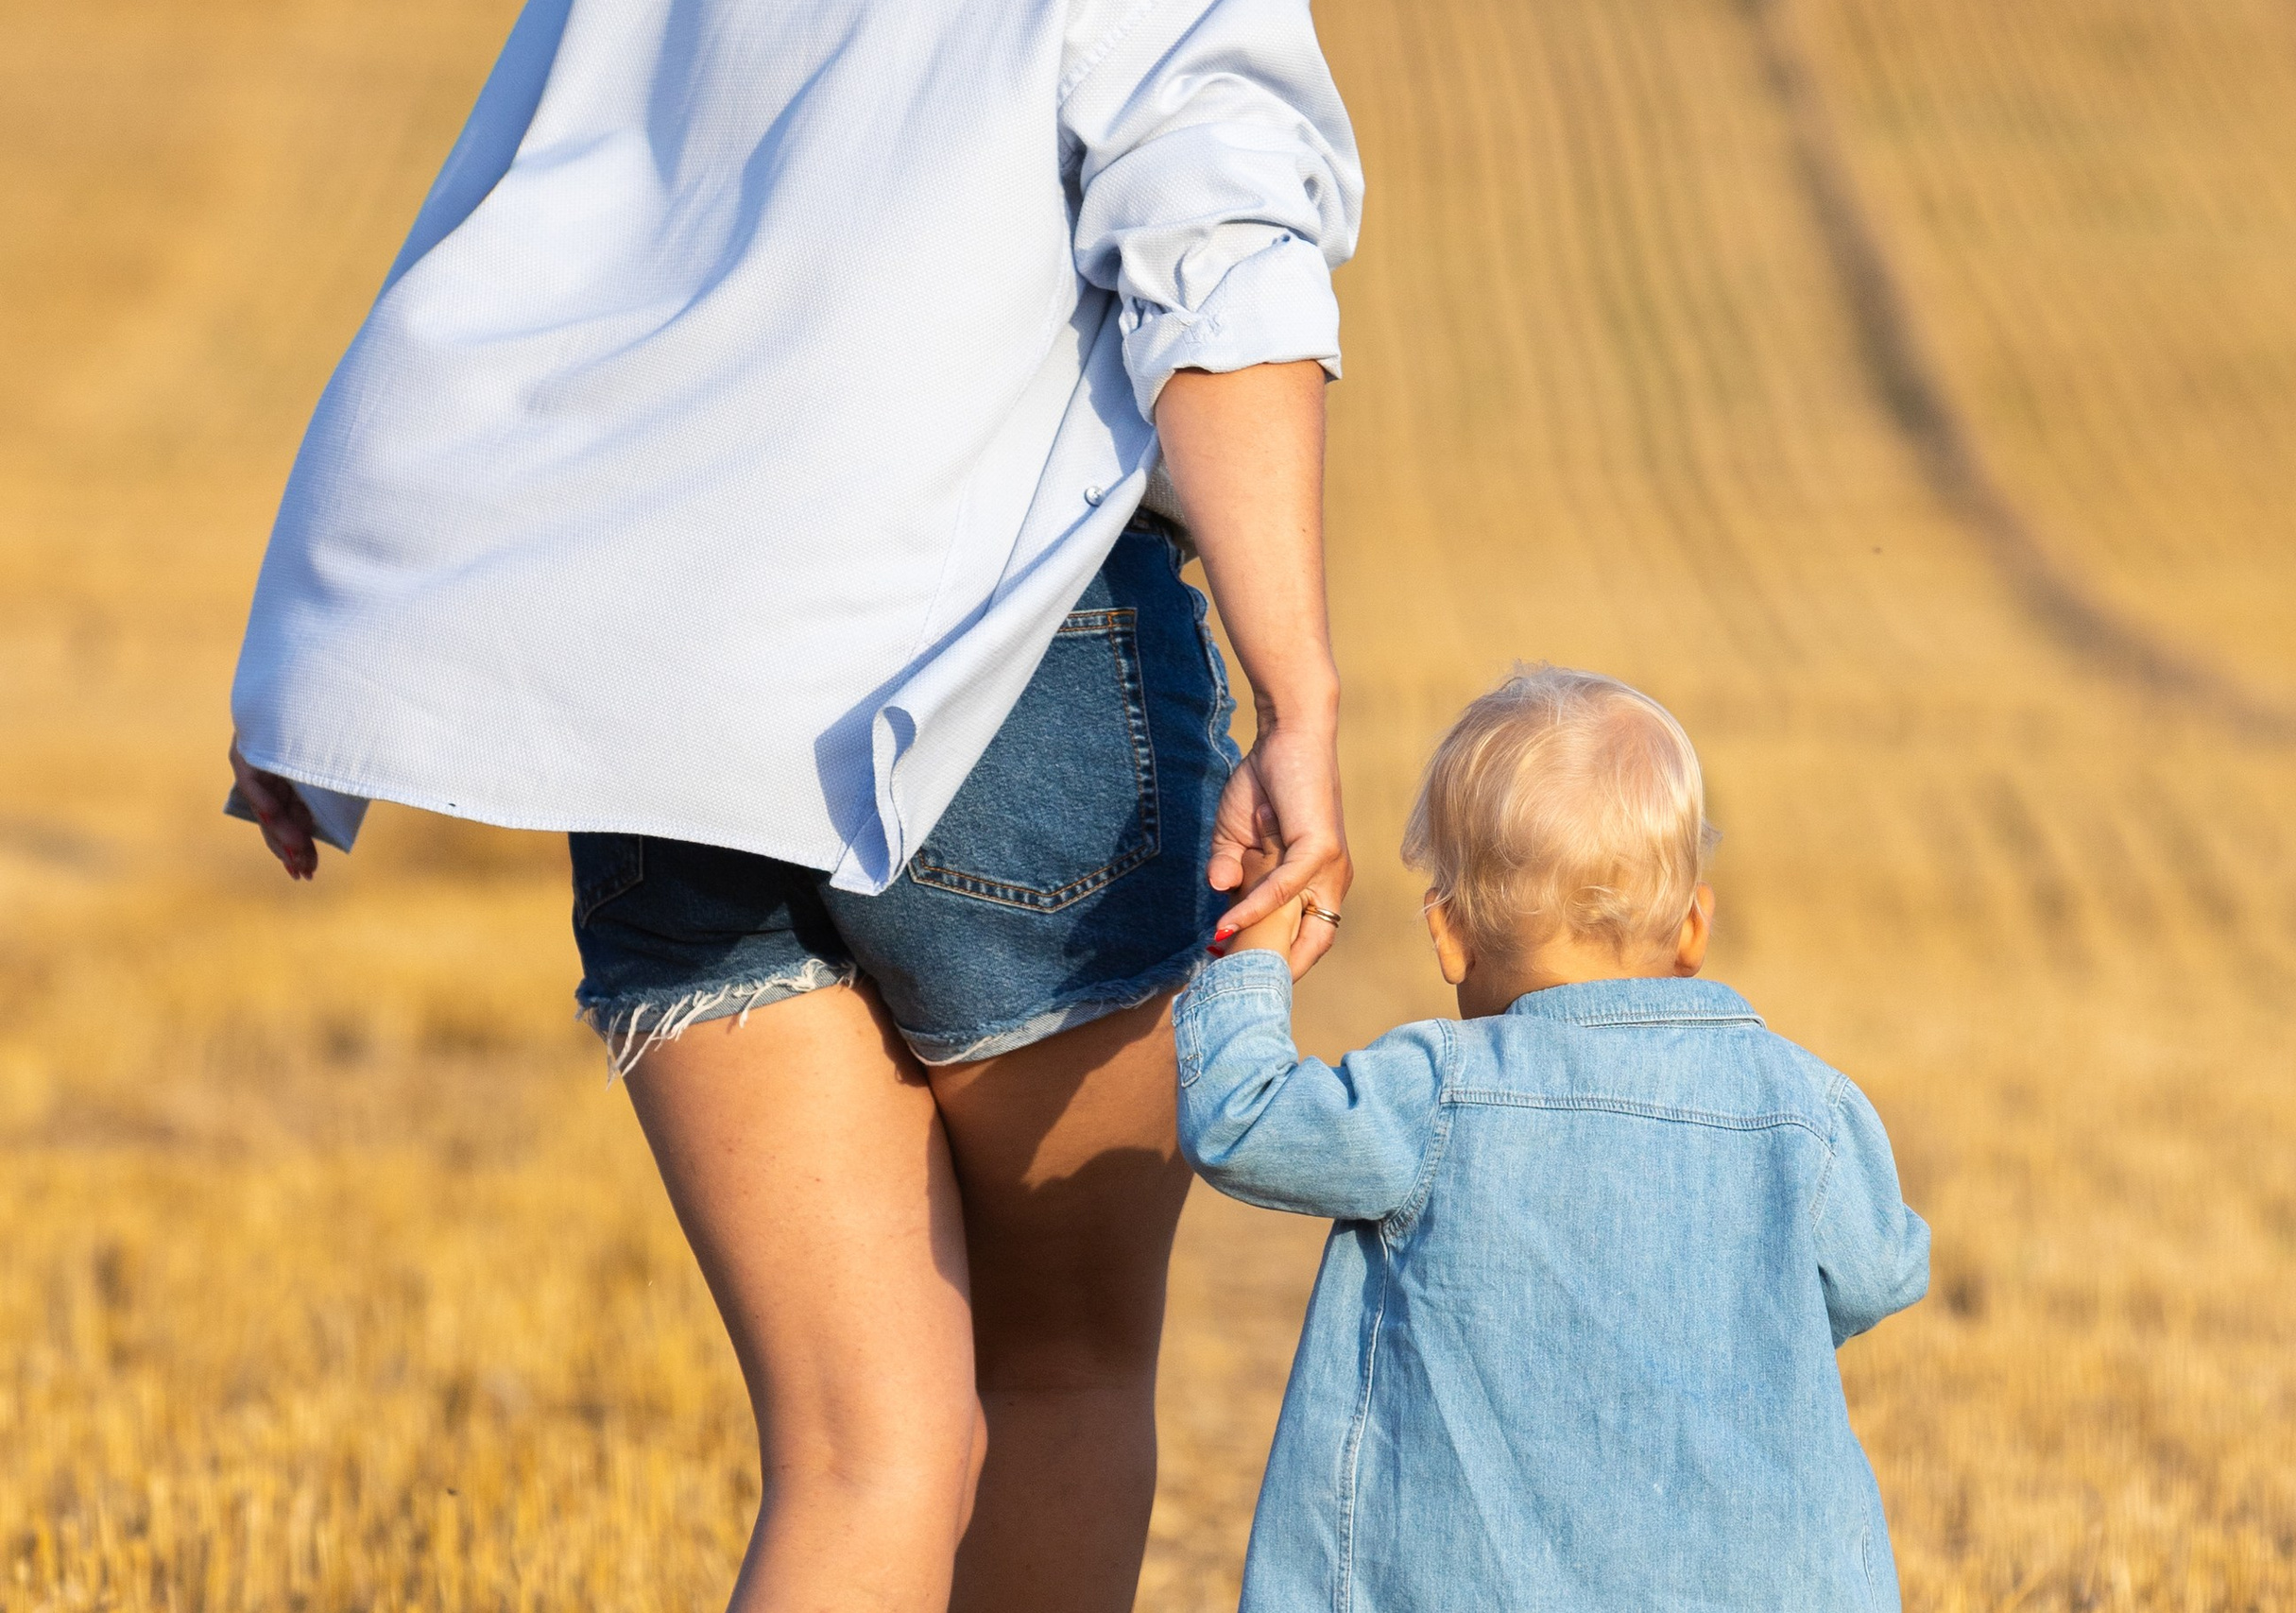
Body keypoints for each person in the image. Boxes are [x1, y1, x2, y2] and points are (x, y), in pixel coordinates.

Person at [224, 2, 1362, 1607]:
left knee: (860, 1453)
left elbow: (519, 221)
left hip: (661, 697)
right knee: (1063, 1367)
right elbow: (1223, 242)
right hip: (1010, 673)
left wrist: (317, 653)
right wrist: (1297, 690)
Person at [1175, 666, 1931, 1610]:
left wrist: (1250, 958)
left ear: (1448, 935)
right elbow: (1881, 1271)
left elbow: (1242, 1118)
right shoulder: (1807, 1108)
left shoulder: (1439, 1095)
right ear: (1694, 926)